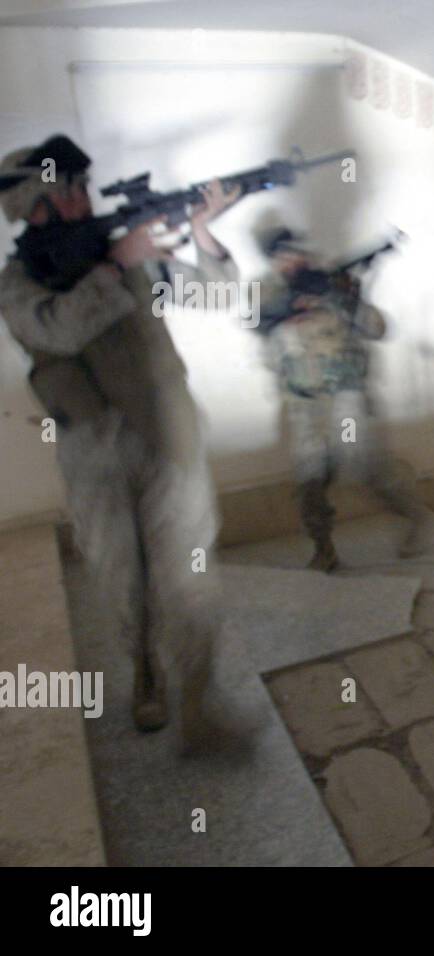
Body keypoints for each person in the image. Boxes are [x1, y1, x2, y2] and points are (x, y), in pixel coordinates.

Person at [0, 134, 247, 746]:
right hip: (91, 450)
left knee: (189, 574)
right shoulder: (17, 280)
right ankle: (145, 677)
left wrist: (202, 230)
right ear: (36, 206)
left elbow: (216, 290)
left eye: (85, 188)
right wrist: (117, 265)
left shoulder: (129, 256)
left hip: (168, 434)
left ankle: (200, 705)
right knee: (122, 579)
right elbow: (54, 332)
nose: (84, 200)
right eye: (70, 191)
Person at [253, 224, 434, 572]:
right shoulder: (265, 294)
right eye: (282, 257)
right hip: (302, 403)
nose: (292, 262)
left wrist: (349, 301)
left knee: (364, 464)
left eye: (296, 254)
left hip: (345, 397)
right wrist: (288, 314)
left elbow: (380, 329)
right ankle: (323, 549)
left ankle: (413, 519)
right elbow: (256, 325)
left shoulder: (333, 284)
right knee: (310, 479)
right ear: (273, 262)